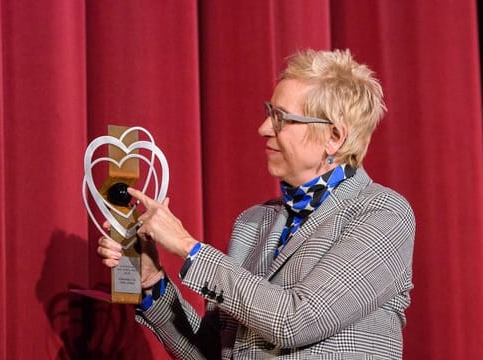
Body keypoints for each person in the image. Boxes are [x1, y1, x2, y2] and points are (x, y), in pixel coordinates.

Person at [97, 49, 415, 359]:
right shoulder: (253, 223)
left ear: (334, 136)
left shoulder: (382, 212)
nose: (263, 129)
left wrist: (186, 246)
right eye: (268, 113)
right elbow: (212, 353)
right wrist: (153, 282)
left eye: (281, 119)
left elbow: (295, 319)